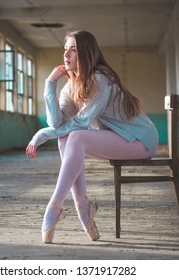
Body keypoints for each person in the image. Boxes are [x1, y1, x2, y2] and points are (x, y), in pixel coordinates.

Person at [26, 30, 158, 244]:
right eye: (65, 49)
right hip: (117, 139)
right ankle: (83, 207)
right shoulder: (70, 87)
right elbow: (57, 124)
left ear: (86, 53)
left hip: (140, 140)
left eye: (74, 49)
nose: (66, 54)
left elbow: (82, 122)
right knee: (66, 138)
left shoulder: (100, 78)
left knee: (76, 135)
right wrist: (50, 84)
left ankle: (54, 208)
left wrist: (40, 135)